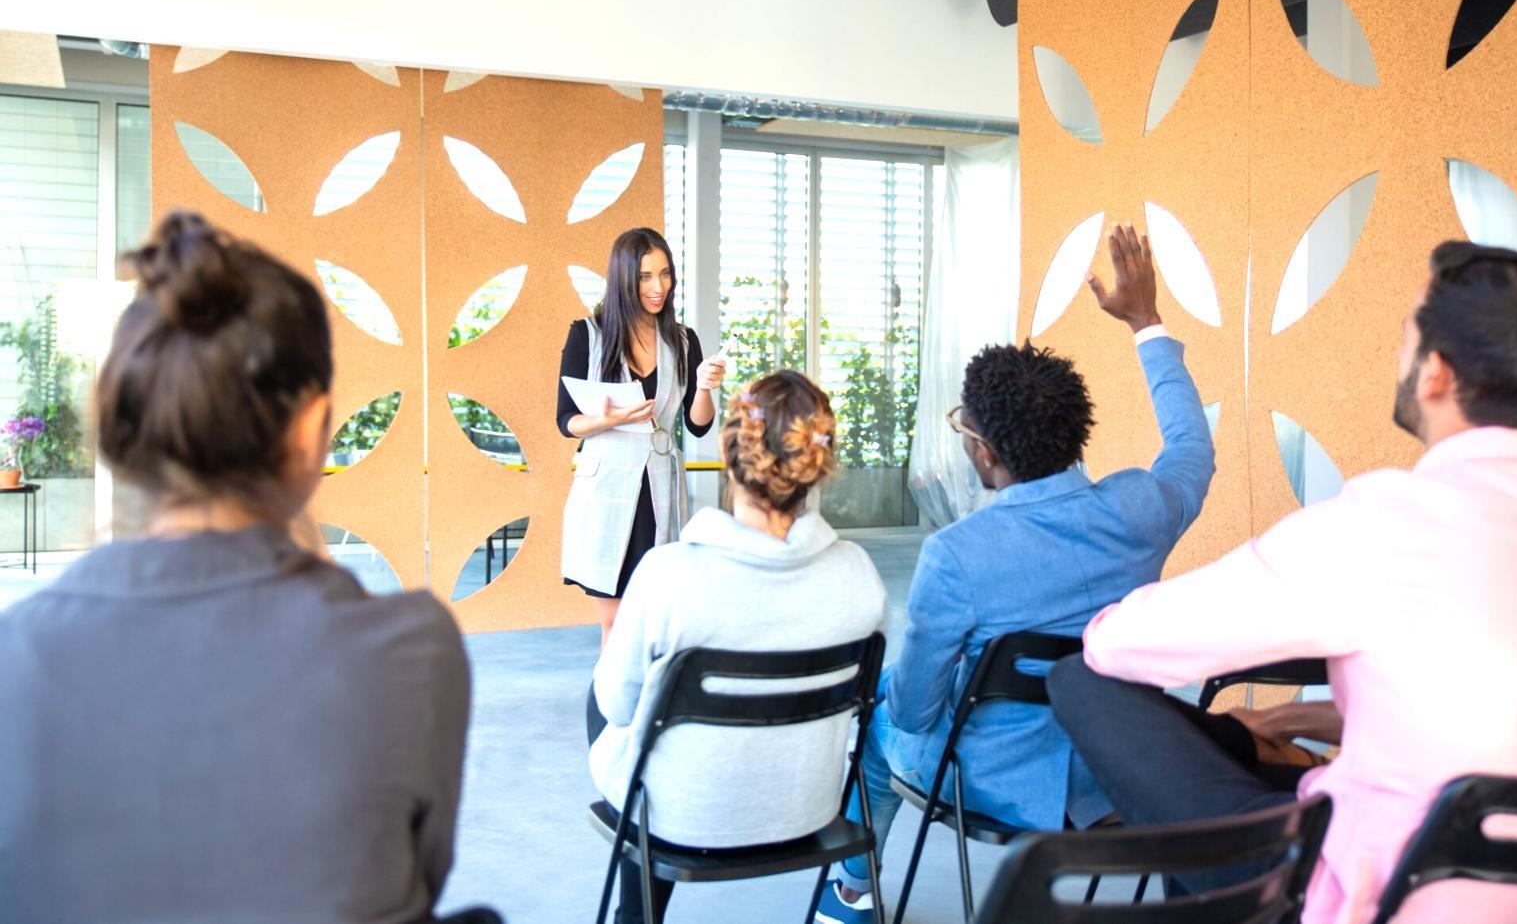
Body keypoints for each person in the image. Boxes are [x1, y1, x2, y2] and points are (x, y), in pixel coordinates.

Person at [1048, 242, 1517, 924]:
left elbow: (1116, 647)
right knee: (1265, 777)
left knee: (1080, 679)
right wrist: (1287, 719)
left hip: (1376, 892)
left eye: (1406, 339)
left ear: (1437, 374)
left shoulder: (1378, 524)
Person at [0, 212, 473, 923]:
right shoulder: (413, 650)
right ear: (313, 430)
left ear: (125, 429)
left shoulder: (15, 656)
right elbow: (415, 877)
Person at [816, 225, 1215, 924]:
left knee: (881, 709)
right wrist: (1146, 322)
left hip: (994, 787)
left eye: (965, 432)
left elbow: (916, 712)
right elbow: (1191, 447)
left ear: (987, 453)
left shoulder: (957, 555)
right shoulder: (1141, 509)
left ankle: (850, 893)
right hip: (1110, 778)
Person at [587, 371, 888, 924]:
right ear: (818, 462)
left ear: (729, 456)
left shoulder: (668, 574)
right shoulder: (858, 576)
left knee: (603, 692)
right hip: (809, 810)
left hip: (683, 815)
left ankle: (639, 914)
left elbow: (617, 705)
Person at [558, 227, 725, 644]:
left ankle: (652, 704)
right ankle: (616, 707)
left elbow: (698, 424)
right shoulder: (587, 335)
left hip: (661, 489)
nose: (658, 287)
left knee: (659, 618)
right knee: (614, 620)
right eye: (646, 277)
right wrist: (608, 420)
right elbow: (566, 421)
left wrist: (704, 386)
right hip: (609, 489)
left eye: (665, 275)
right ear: (623, 280)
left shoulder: (683, 341)